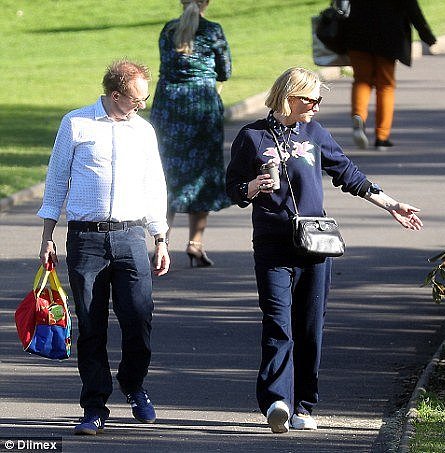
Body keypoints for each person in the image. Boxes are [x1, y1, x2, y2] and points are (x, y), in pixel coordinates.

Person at [226, 67, 423, 433]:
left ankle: (303, 404)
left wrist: (393, 204)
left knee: (310, 327)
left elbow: (349, 174)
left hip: (315, 245)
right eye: (311, 99)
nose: (317, 106)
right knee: (277, 324)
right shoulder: (252, 137)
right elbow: (232, 188)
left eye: (319, 100)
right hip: (272, 246)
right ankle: (276, 402)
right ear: (290, 97)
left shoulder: (315, 134)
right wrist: (252, 186)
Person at [37, 59, 170, 435]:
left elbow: (154, 186)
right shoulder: (76, 124)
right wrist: (47, 237)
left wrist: (160, 237)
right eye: (136, 99)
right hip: (86, 239)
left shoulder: (143, 132)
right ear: (116, 95)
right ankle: (94, 406)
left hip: (131, 238)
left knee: (138, 319)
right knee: (92, 325)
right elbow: (56, 181)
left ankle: (134, 385)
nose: (142, 105)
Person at [150, 0, 232, 267]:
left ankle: (162, 242)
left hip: (169, 108)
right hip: (202, 108)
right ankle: (195, 244)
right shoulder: (213, 30)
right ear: (207, 3)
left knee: (166, 174)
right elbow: (226, 71)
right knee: (202, 173)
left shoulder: (168, 30)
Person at [343, 0, 437, 151]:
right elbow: (412, 8)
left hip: (357, 33)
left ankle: (358, 115)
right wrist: (426, 34)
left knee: (361, 80)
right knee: (385, 85)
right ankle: (382, 137)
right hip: (388, 36)